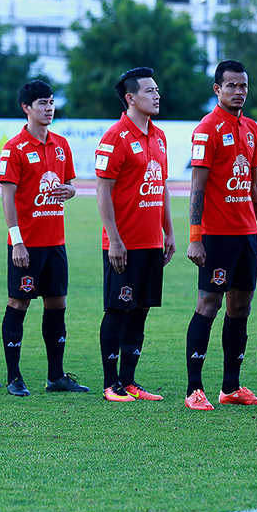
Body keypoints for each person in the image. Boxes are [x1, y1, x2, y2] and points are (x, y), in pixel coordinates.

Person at [184, 61, 257, 411]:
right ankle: (194, 389)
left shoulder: (251, 128)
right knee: (209, 303)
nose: (239, 91)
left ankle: (231, 388)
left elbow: (254, 186)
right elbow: (197, 187)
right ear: (217, 89)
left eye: (243, 85)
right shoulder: (207, 129)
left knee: (241, 307)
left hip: (246, 234)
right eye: (231, 85)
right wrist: (195, 236)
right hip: (216, 234)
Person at [0, 80, 89, 396]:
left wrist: (70, 191)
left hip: (55, 243)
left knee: (57, 303)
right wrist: (17, 241)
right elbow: (7, 197)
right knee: (18, 303)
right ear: (26, 108)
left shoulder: (61, 144)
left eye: (51, 102)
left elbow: (70, 185)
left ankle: (56, 376)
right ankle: (14, 377)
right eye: (42, 103)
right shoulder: (14, 148)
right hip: (26, 245)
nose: (49, 108)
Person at [95, 67, 176, 402]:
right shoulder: (115, 136)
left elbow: (162, 186)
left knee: (140, 310)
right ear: (130, 98)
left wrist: (169, 231)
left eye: (157, 90)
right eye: (149, 91)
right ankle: (110, 384)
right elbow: (102, 190)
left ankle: (129, 381)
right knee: (118, 309)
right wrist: (114, 240)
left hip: (151, 241)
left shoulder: (159, 136)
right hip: (124, 244)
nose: (157, 96)